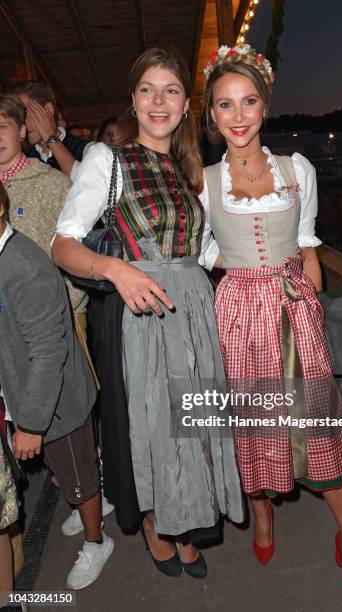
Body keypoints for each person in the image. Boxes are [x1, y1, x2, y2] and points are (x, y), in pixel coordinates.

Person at [52, 46, 244, 579]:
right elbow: (62, 244)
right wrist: (116, 270)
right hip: (139, 314)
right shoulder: (105, 161)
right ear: (134, 102)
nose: (159, 101)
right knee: (152, 423)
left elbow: (203, 251)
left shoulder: (192, 171)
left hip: (194, 310)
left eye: (172, 91)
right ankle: (160, 525)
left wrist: (257, 253)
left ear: (186, 106)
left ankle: (189, 523)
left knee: (192, 424)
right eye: (147, 90)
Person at [201, 45, 342, 604]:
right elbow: (200, 252)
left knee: (319, 426)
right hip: (238, 319)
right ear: (211, 114)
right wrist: (240, 268)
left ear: (265, 105)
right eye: (225, 105)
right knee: (253, 428)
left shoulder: (297, 169)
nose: (239, 115)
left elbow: (308, 249)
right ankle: (264, 516)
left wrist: (312, 312)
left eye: (248, 101)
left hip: (295, 309)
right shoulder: (203, 181)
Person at [0, 97, 113, 590]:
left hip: (52, 368)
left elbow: (47, 345)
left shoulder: (26, 260)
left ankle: (96, 537)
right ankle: (81, 497)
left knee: (74, 458)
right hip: (28, 371)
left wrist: (28, 420)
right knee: (67, 462)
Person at [12, 81, 90, 179]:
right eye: (17, 117)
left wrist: (50, 138)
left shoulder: (87, 149)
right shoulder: (24, 161)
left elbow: (82, 182)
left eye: (25, 113)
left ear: (48, 109)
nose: (21, 123)